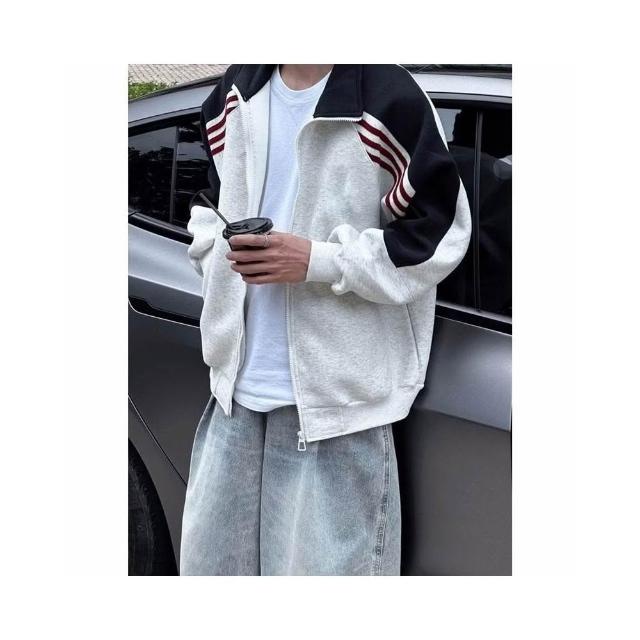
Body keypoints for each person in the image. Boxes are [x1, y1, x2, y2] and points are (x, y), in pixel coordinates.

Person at [180, 64, 471, 576]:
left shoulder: (386, 97)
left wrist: (319, 261)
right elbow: (210, 202)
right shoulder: (237, 89)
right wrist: (213, 256)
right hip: (233, 396)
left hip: (338, 412)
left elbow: (442, 236)